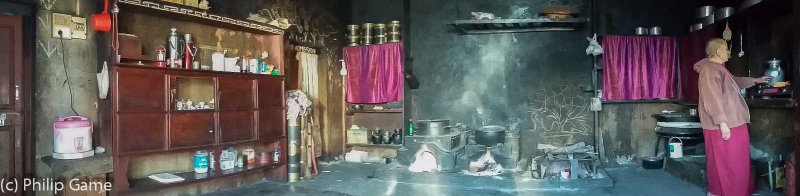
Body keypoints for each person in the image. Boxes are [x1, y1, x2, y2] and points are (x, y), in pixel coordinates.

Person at [695, 38, 771, 196]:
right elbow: (712, 98)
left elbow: (736, 82)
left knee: (733, 161)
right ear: (718, 52)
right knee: (729, 163)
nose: (729, 53)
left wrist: (755, 80)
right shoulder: (709, 69)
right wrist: (722, 123)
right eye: (727, 49)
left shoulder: (719, 68)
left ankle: (729, 192)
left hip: (732, 122)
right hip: (724, 124)